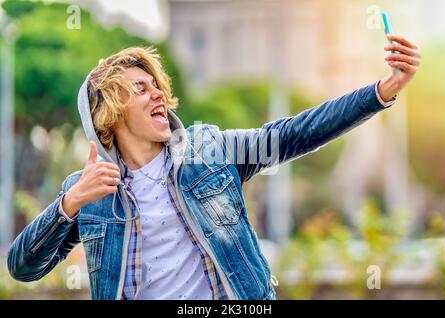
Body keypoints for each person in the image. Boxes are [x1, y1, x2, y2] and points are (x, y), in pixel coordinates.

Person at [7, 34, 421, 300]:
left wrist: (381, 92)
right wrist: (71, 202)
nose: (159, 97)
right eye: (140, 89)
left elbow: (295, 133)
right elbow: (22, 268)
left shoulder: (211, 153)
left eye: (157, 88)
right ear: (110, 114)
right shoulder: (90, 194)